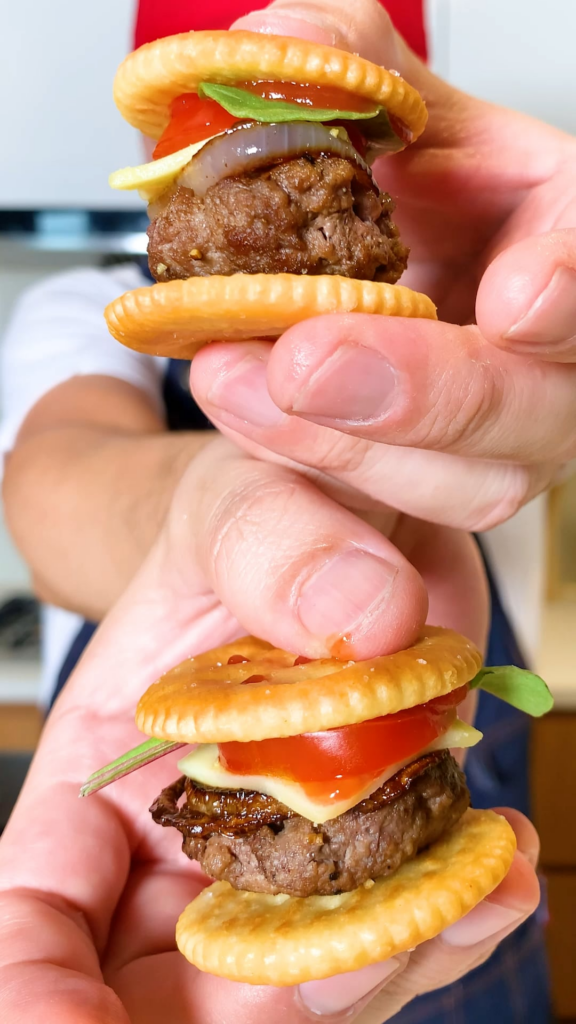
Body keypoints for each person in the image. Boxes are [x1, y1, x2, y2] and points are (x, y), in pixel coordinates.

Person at [1, 0, 575, 1019]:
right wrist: (214, 518)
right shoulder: (79, 308)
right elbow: (54, 486)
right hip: (144, 853)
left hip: (449, 791)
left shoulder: (465, 312)